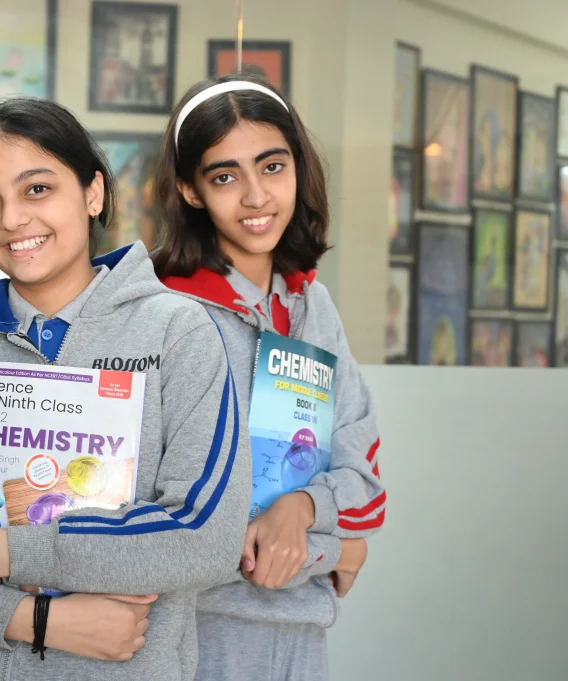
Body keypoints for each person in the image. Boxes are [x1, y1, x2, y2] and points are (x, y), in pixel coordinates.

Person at [0, 97, 252, 681]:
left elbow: (204, 534)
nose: (12, 220)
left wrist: (5, 552)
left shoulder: (178, 335)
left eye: (37, 189)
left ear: (93, 193)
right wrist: (25, 617)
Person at [154, 76, 386, 681]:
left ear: (298, 168)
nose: (256, 197)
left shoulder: (313, 305)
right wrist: (339, 549)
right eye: (225, 176)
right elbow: (161, 519)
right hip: (190, 636)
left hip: (302, 633)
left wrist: (304, 506)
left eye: (272, 166)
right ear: (190, 189)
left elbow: (362, 472)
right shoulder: (164, 315)